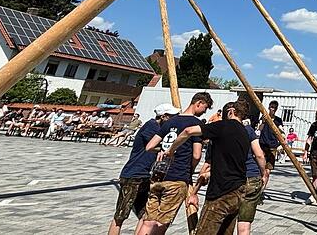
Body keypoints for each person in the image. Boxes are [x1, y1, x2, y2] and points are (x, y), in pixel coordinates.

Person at [163, 100, 267, 235]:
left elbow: (188, 131)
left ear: (231, 112)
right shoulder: (245, 132)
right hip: (238, 191)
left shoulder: (222, 126)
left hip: (221, 192)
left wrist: (171, 150)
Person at [137, 92, 212, 235]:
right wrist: (190, 169)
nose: (205, 112)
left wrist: (163, 150)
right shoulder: (195, 124)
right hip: (177, 176)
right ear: (199, 103)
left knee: (148, 221)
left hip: (159, 176)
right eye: (205, 108)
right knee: (161, 223)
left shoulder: (171, 121)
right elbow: (196, 155)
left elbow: (149, 146)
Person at [109, 103, 179, 235]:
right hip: (133, 175)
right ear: (163, 117)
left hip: (146, 176)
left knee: (145, 214)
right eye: (172, 117)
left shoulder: (160, 128)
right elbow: (160, 144)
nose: (174, 120)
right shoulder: (151, 126)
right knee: (120, 215)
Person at [256, 100, 285, 188]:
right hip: (263, 145)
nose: (272, 109)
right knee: (260, 168)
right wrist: (264, 122)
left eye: (274, 108)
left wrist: (281, 143)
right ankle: (259, 186)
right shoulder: (264, 117)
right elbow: (259, 129)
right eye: (271, 107)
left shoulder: (278, 120)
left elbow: (282, 132)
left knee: (268, 170)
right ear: (269, 107)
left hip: (272, 146)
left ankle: (263, 188)